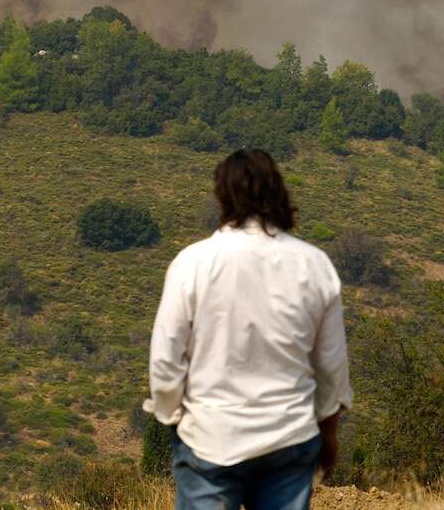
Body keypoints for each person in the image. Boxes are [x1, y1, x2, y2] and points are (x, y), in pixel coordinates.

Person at [144, 149, 352, 510]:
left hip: (211, 438)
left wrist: (173, 416)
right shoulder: (314, 265)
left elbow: (165, 359)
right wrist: (328, 435)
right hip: (289, 437)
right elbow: (331, 367)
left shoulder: (192, 264)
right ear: (278, 192)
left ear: (221, 195)